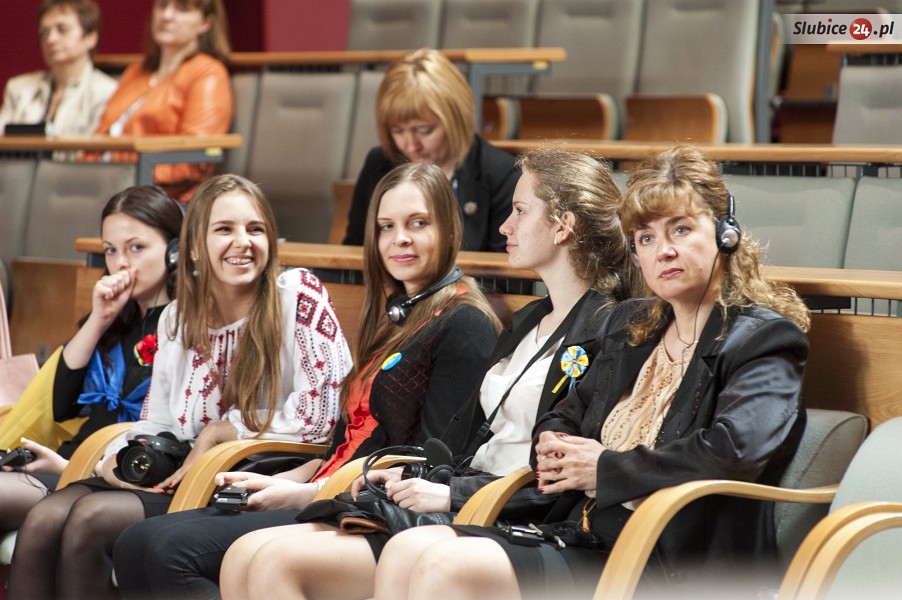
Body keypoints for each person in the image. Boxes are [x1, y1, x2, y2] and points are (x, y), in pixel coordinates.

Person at [373, 145, 812, 600]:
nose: (663, 251)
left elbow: (734, 450)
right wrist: (558, 441)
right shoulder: (633, 325)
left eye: (680, 230)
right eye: (645, 238)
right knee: (407, 549)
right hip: (587, 537)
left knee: (445, 566)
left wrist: (603, 468)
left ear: (725, 234)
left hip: (673, 563)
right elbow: (565, 410)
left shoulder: (763, 339)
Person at [214, 147, 640, 600]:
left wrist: (451, 493)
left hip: (508, 508)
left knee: (272, 561)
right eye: (385, 227)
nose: (503, 226)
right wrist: (414, 475)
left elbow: (559, 473)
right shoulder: (530, 318)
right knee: (244, 555)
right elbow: (467, 439)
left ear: (562, 225)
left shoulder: (607, 329)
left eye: (519, 211)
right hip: (468, 490)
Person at [112, 161, 503, 599]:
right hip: (332, 489)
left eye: (418, 223)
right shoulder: (400, 316)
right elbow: (346, 442)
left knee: (170, 551)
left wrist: (307, 493)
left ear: (449, 229)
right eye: (386, 227)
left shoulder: (464, 324)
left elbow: (427, 465)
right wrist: (289, 483)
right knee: (135, 544)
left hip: (379, 512)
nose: (400, 239)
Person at [6, 174, 352, 600]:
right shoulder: (178, 318)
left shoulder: (297, 294)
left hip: (247, 476)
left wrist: (224, 430)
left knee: (89, 520)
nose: (243, 242)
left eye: (255, 229)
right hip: (181, 471)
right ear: (193, 248)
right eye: (224, 229)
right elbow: (157, 421)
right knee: (46, 518)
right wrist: (114, 461)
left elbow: (321, 418)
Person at [0, 185, 181, 536]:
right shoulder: (115, 320)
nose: (121, 263)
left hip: (112, 474)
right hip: (67, 460)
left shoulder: (184, 328)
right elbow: (60, 407)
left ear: (174, 251)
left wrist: (70, 467)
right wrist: (98, 319)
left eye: (136, 248)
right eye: (111, 250)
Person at [343, 48, 520, 252]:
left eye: (424, 130)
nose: (411, 145)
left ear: (456, 119)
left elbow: (503, 268)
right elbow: (355, 251)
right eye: (398, 130)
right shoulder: (379, 163)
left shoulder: (502, 174)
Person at [92, 0, 233, 201]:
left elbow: (194, 159)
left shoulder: (208, 73)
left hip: (161, 199)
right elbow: (100, 136)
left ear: (206, 23)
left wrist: (124, 174)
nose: (166, 16)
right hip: (106, 185)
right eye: (162, 5)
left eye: (182, 9)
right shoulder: (135, 71)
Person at [0, 0, 116, 137]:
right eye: (45, 32)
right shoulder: (18, 89)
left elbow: (98, 147)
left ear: (91, 38)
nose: (51, 39)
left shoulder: (108, 93)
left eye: (62, 29)